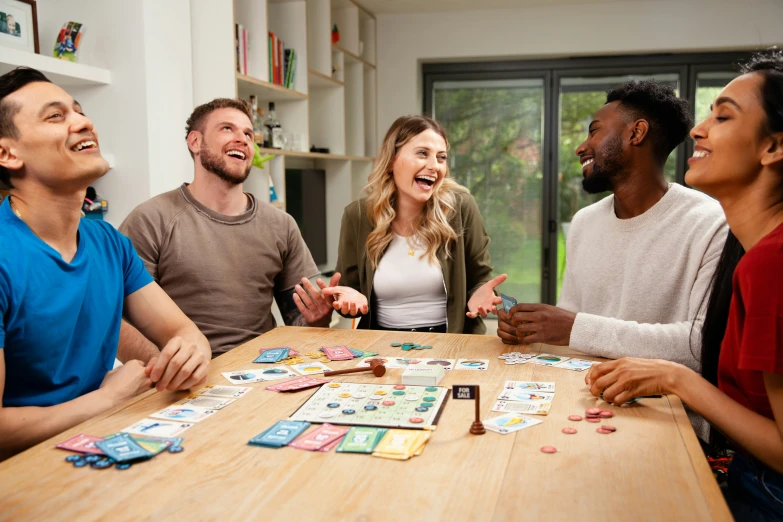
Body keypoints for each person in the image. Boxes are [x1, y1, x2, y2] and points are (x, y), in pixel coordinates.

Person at [586, 51, 783, 522]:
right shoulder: (754, 251)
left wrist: (676, 378)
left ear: (773, 148)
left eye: (723, 116)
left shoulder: (771, 262)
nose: (697, 129)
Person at [0, 67, 211, 459]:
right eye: (55, 116)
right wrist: (106, 398)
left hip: (96, 447)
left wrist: (191, 354)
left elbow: (183, 331)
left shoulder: (108, 242)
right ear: (7, 154)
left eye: (78, 111)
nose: (83, 122)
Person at [497, 80, 727, 372]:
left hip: (666, 411)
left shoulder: (710, 223)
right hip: (581, 395)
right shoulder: (584, 222)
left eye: (594, 131)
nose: (581, 147)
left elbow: (701, 345)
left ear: (637, 132)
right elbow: (571, 323)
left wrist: (574, 328)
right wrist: (531, 328)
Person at [119, 98, 336, 357]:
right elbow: (117, 321)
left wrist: (319, 318)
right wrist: (166, 369)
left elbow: (303, 325)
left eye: (248, 134)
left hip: (264, 371)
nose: (243, 139)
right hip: (185, 378)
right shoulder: (150, 219)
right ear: (195, 142)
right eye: (227, 129)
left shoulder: (280, 224)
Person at [325, 115, 506, 334]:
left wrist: (481, 293)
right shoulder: (358, 215)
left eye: (441, 158)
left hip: (451, 344)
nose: (434, 166)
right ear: (392, 160)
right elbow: (348, 292)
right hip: (381, 344)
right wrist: (348, 301)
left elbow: (480, 278)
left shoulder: (460, 208)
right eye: (422, 154)